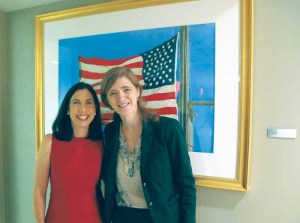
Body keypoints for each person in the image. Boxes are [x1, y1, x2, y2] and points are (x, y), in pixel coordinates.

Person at [100, 66, 196, 223]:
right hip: (122, 217)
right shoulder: (110, 133)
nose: (121, 97)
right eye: (113, 93)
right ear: (108, 101)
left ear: (137, 91)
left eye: (126, 90)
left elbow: (186, 185)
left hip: (160, 218)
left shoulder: (167, 129)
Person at [33, 82, 104, 223]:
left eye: (89, 103)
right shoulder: (50, 142)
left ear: (95, 109)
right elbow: (39, 192)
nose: (83, 109)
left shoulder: (102, 145)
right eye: (76, 102)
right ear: (67, 109)